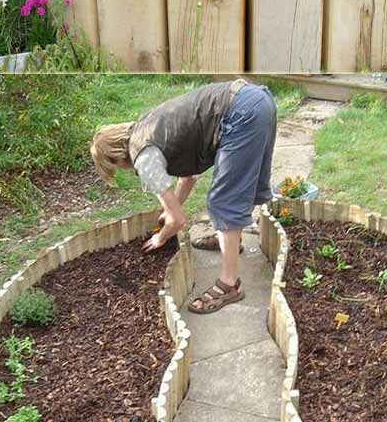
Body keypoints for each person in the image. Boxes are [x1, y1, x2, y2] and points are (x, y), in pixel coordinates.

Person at [90, 79, 277, 315]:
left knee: (222, 202)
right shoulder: (147, 126)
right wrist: (170, 207)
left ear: (116, 158)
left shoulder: (144, 158)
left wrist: (161, 238)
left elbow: (178, 221)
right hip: (257, 98)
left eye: (115, 167)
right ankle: (230, 240)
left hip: (242, 112)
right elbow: (188, 177)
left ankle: (229, 284)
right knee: (241, 185)